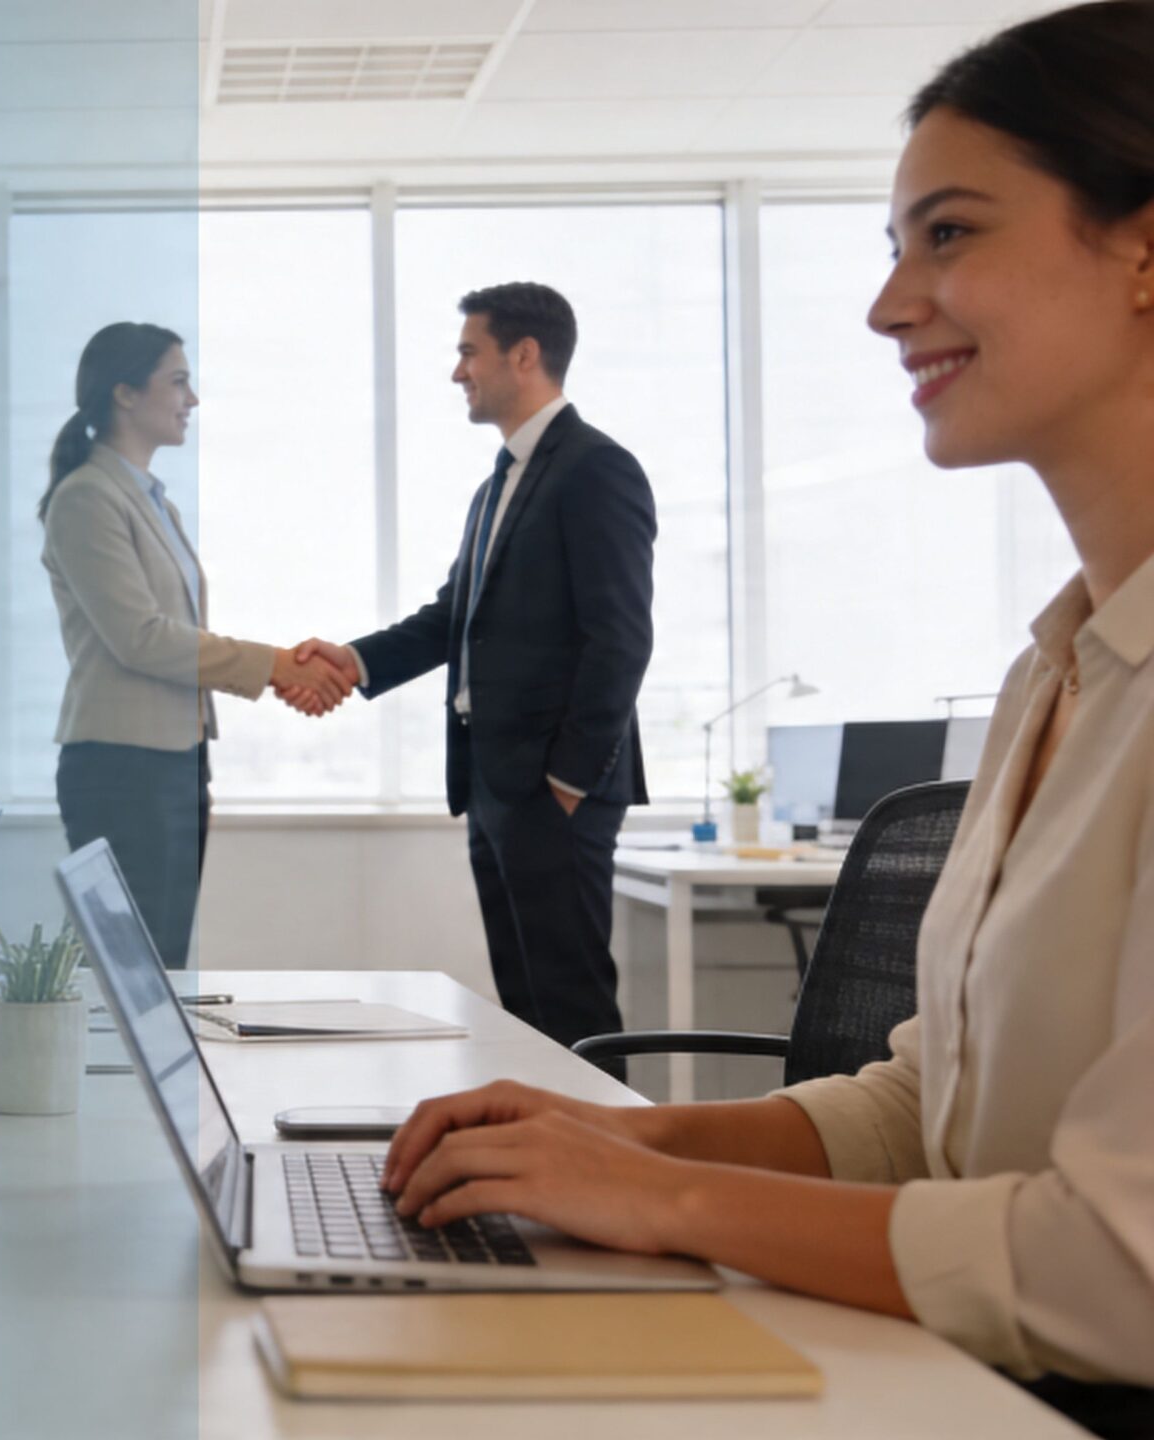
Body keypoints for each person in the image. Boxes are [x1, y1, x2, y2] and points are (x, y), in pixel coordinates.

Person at [382, 0, 1154, 1398]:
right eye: (892, 244)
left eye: (952, 233)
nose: (887, 304)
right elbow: (934, 1105)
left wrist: (664, 1203)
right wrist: (621, 1141)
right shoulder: (1062, 672)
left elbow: (1121, 1269)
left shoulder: (592, 470)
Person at [291, 285, 656, 1049]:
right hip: (494, 783)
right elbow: (451, 619)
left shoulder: (596, 469)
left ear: (523, 355)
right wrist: (353, 661)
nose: (457, 371)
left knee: (573, 1010)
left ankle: (599, 1168)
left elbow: (620, 639)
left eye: (468, 351)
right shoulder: (497, 485)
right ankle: (537, 1164)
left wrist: (568, 782)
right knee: (526, 1013)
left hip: (553, 788)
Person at [39, 322, 338, 970]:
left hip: (175, 760)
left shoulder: (151, 502)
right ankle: (117, 1078)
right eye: (178, 381)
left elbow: (175, 635)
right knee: (131, 971)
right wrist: (278, 665)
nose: (192, 399)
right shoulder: (87, 498)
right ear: (124, 392)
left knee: (164, 964)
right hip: (121, 770)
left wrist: (279, 669)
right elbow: (141, 639)